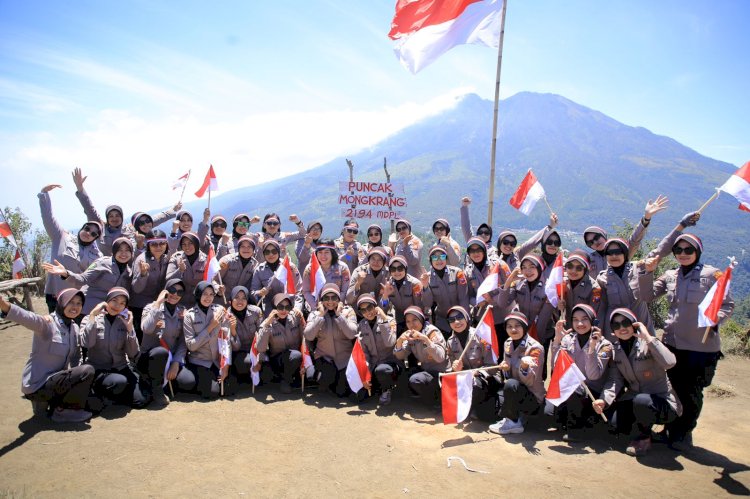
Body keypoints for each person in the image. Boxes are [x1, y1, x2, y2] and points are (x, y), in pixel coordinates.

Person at [639, 233, 734, 450]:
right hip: (672, 344)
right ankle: (669, 429)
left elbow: (727, 304)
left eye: (688, 250)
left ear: (697, 252)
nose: (682, 254)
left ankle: (683, 433)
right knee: (672, 388)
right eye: (678, 250)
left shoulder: (712, 275)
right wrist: (648, 272)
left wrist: (716, 319)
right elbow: (647, 295)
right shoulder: (670, 275)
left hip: (701, 347)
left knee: (691, 392)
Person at [593, 309, 682, 457]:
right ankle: (640, 430)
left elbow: (670, 362)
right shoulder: (616, 350)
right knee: (612, 423)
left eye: (626, 323)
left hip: (663, 402)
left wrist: (648, 337)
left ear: (634, 325)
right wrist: (603, 399)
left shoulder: (649, 344)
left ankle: (644, 439)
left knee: (642, 401)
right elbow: (615, 380)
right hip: (635, 399)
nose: (622, 328)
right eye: (616, 325)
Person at [0, 289, 95, 423]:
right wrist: (3, 304)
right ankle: (61, 411)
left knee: (85, 376)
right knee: (87, 370)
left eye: (79, 303)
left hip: (56, 381)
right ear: (61, 303)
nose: (75, 307)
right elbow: (27, 317)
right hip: (38, 384)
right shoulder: (48, 323)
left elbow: (76, 357)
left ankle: (55, 405)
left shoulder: (74, 328)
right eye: (71, 302)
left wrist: (78, 383)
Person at [550, 304, 612, 441]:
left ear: (593, 321)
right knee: (549, 414)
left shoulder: (605, 345)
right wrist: (557, 339)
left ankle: (576, 430)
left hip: (592, 395)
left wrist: (591, 349)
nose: (580, 323)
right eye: (575, 319)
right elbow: (557, 367)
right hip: (572, 390)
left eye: (584, 319)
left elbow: (593, 375)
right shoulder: (568, 339)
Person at [80, 287, 148, 409]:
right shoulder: (90, 318)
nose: (117, 305)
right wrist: (92, 317)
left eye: (122, 303)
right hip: (99, 370)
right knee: (118, 382)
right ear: (107, 301)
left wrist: (130, 329)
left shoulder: (124, 322)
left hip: (120, 367)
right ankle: (100, 392)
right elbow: (87, 344)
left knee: (141, 400)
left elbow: (133, 353)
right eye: (114, 300)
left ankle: (115, 395)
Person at [39, 184, 102, 312]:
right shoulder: (61, 237)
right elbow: (48, 218)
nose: (88, 233)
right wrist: (44, 194)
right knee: (56, 329)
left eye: (94, 234)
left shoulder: (97, 256)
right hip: (55, 295)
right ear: (82, 228)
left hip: (77, 299)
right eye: (87, 229)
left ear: (95, 238)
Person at [43, 237, 134, 316]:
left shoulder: (128, 272)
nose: (123, 253)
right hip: (87, 309)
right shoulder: (102, 262)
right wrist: (66, 273)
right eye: (120, 250)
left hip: (107, 312)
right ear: (114, 251)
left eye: (127, 250)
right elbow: (83, 279)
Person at [583, 195, 668, 278]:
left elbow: (635, 240)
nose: (595, 242)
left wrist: (646, 218)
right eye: (590, 242)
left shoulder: (622, 250)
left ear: (603, 235)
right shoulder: (589, 260)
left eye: (597, 237)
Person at [140, 279, 196, 404]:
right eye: (172, 290)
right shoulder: (151, 307)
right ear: (165, 290)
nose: (175, 294)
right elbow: (147, 329)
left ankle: (164, 382)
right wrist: (158, 304)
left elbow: (183, 341)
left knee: (188, 382)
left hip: (171, 358)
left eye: (180, 292)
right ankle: (157, 389)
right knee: (160, 353)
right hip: (151, 359)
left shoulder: (182, 311)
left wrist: (176, 363)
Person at [489, 312, 545, 435]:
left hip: (532, 396)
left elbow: (530, 381)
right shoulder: (508, 343)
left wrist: (524, 367)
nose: (513, 329)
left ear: (524, 327)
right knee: (493, 405)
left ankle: (513, 423)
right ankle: (513, 417)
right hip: (515, 390)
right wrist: (505, 368)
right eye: (509, 326)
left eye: (517, 326)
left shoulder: (535, 348)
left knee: (510, 385)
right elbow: (508, 375)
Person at [446, 306, 501, 421]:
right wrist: (456, 369)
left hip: (487, 379)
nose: (456, 322)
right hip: (468, 380)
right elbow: (452, 369)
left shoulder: (481, 335)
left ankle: (475, 406)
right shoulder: (450, 342)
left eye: (459, 317)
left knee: (487, 413)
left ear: (466, 318)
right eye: (451, 320)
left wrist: (479, 372)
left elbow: (492, 366)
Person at [183, 282, 237, 399]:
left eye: (211, 294)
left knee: (230, 388)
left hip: (218, 361)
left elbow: (226, 340)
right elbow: (191, 346)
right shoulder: (189, 315)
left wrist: (225, 367)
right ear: (198, 295)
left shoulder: (220, 311)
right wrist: (211, 327)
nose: (208, 298)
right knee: (211, 392)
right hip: (200, 360)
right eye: (205, 294)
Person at [303, 283, 358, 397]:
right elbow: (308, 336)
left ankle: (334, 383)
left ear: (339, 299)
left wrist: (339, 315)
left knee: (341, 392)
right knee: (328, 375)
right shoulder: (315, 314)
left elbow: (352, 334)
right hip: (324, 357)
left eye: (334, 298)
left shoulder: (348, 311)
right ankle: (320, 378)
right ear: (321, 300)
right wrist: (321, 316)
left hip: (343, 359)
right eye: (326, 298)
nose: (330, 301)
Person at [596, 238, 658, 337]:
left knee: (648, 352)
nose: (614, 256)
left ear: (624, 253)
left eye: (618, 252)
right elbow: (602, 308)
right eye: (609, 252)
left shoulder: (638, 268)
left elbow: (661, 250)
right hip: (617, 331)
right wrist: (600, 331)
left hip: (642, 328)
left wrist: (680, 227)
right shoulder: (602, 278)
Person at [493, 255, 554, 350]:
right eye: (524, 267)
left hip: (540, 335)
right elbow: (502, 303)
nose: (527, 271)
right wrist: (508, 282)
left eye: (532, 267)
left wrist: (534, 343)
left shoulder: (548, 289)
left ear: (540, 267)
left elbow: (543, 320)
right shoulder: (519, 284)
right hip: (521, 332)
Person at [393, 306, 449, 407]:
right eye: (408, 321)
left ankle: (436, 401)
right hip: (427, 370)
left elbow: (440, 358)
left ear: (421, 319)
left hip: (441, 372)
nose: (411, 324)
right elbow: (400, 356)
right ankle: (429, 397)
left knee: (416, 379)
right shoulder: (411, 334)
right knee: (403, 375)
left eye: (415, 320)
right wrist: (399, 341)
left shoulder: (432, 332)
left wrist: (426, 340)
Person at [256, 293, 305, 393]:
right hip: (278, 359)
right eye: (280, 307)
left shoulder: (295, 317)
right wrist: (267, 325)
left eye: (287, 307)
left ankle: (293, 377)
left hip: (296, 359)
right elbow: (260, 347)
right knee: (295, 356)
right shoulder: (267, 322)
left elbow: (305, 338)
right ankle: (285, 380)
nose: (284, 310)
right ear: (274, 307)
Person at [355, 295, 399, 405]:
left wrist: (383, 320)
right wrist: (365, 374)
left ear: (375, 306)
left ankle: (387, 389)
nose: (368, 312)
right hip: (374, 365)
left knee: (382, 370)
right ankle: (378, 386)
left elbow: (390, 343)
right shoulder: (361, 325)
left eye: (369, 307)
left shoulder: (390, 320)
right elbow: (364, 353)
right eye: (363, 310)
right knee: (360, 396)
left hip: (389, 365)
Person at [72, 167, 124, 257]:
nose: (114, 218)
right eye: (111, 216)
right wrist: (80, 188)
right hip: (100, 267)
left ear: (122, 217)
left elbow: (151, 221)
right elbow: (89, 208)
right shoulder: (99, 226)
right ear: (107, 218)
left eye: (117, 215)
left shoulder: (128, 230)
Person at [420, 246, 469, 338]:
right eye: (435, 257)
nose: (439, 260)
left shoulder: (457, 273)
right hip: (442, 320)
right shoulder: (428, 277)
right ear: (431, 261)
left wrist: (466, 318)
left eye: (442, 256)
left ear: (446, 259)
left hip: (459, 318)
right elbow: (428, 303)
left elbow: (464, 298)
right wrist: (425, 286)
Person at [130, 230, 170, 342]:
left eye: (162, 243)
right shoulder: (142, 260)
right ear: (148, 245)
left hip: (156, 303)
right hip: (140, 306)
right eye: (154, 244)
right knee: (142, 338)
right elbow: (136, 289)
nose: (158, 247)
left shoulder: (165, 258)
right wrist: (143, 275)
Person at [251, 239, 303, 318]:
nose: (271, 254)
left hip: (290, 309)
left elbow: (299, 290)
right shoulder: (259, 270)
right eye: (267, 252)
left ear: (278, 252)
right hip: (269, 311)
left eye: (274, 251)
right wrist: (260, 293)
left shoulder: (289, 267)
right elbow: (253, 292)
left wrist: (297, 308)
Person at [224, 286, 263, 386]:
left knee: (267, 373)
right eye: (237, 297)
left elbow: (262, 336)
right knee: (245, 363)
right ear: (231, 300)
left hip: (255, 350)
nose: (240, 301)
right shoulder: (226, 316)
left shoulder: (256, 312)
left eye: (244, 298)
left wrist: (259, 357)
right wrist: (233, 329)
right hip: (238, 352)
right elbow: (235, 347)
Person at [560, 250, 606, 327]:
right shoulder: (562, 283)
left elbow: (596, 314)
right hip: (566, 328)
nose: (573, 271)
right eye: (570, 266)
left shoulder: (596, 289)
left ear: (585, 270)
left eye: (579, 268)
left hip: (584, 329)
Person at [301, 239, 350, 311]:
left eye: (326, 252)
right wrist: (316, 307)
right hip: (317, 306)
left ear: (332, 253)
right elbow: (306, 291)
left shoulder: (342, 268)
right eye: (320, 252)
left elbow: (344, 291)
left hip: (338, 307)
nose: (323, 256)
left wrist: (334, 305)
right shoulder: (310, 269)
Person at [380, 255, 423, 334]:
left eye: (400, 268)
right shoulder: (388, 285)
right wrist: (385, 296)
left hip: (414, 318)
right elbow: (383, 309)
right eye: (393, 269)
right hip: (398, 318)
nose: (397, 272)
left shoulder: (415, 284)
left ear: (405, 269)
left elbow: (419, 306)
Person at [463, 237, 508, 312]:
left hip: (503, 314)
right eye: (472, 251)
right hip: (483, 316)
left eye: (479, 250)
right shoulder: (468, 272)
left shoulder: (499, 265)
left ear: (484, 251)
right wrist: (477, 302)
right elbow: (469, 296)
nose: (475, 253)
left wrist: (492, 300)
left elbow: (510, 287)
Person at [166, 232, 207, 308]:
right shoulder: (176, 257)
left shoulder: (206, 260)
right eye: (183, 244)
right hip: (177, 303)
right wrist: (180, 270)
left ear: (196, 243)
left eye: (190, 243)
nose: (187, 247)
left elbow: (210, 281)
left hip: (198, 304)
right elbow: (168, 279)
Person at [217, 235, 258, 304]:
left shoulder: (255, 265)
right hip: (222, 300)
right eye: (243, 246)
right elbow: (214, 279)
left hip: (240, 303)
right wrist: (217, 288)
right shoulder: (227, 261)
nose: (246, 249)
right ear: (238, 248)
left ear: (253, 249)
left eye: (249, 247)